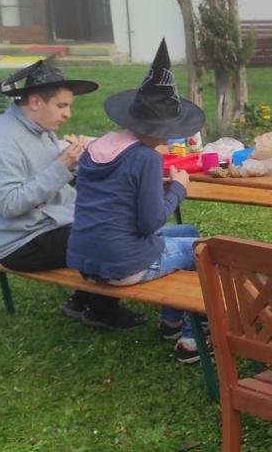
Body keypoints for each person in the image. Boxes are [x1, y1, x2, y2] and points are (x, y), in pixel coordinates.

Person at [0, 59, 146, 330]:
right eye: (62, 106)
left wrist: (80, 155)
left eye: (69, 106)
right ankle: (101, 311)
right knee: (107, 237)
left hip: (51, 224)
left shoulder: (38, 128)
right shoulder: (0, 142)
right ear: (35, 102)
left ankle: (81, 301)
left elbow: (46, 167)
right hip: (21, 242)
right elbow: (8, 205)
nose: (67, 114)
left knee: (110, 216)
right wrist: (62, 166)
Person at [67, 40, 208, 364]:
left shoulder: (96, 148)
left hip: (86, 259)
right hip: (122, 264)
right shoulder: (145, 158)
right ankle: (192, 339)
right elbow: (149, 223)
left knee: (187, 231)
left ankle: (171, 322)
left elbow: (116, 199)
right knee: (203, 250)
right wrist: (178, 188)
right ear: (159, 128)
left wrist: (157, 189)